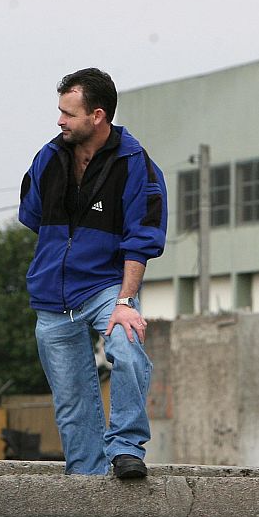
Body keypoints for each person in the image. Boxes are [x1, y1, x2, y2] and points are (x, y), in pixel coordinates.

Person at [19, 68, 167, 478]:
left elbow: (144, 238)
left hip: (106, 288)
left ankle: (126, 448)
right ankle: (87, 478)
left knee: (127, 347)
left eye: (69, 113)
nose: (60, 121)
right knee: (71, 400)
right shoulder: (48, 158)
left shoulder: (135, 164)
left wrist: (125, 300)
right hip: (52, 295)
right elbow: (32, 214)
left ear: (97, 115)